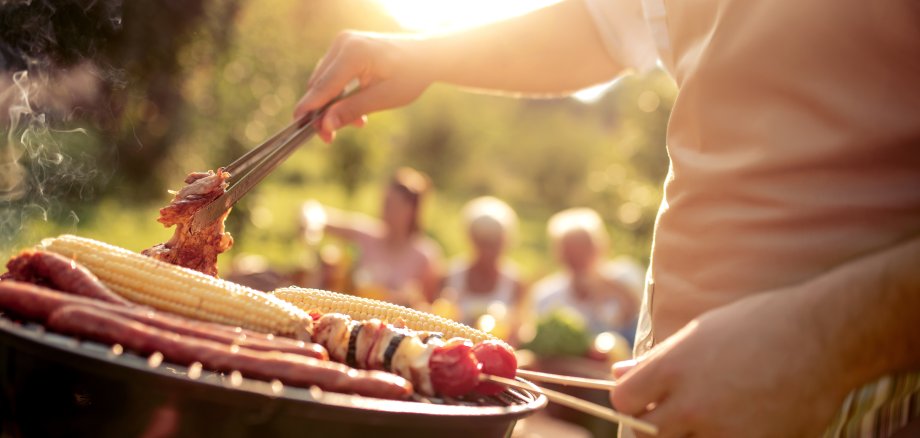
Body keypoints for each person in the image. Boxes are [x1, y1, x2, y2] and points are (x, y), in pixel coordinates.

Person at [292, 0, 920, 436]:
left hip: (857, 397)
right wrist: (427, 54)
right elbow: (611, 25)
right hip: (675, 388)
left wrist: (824, 343)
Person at [299, 167, 443, 308]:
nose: (386, 210)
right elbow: (315, 212)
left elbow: (431, 307)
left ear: (412, 211)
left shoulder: (426, 256)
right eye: (385, 203)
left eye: (394, 205)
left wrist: (412, 301)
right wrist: (310, 225)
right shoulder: (367, 234)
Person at [530, 207, 641, 341]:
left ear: (600, 247)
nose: (577, 256)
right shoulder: (546, 294)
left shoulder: (625, 274)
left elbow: (640, 318)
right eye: (570, 250)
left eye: (584, 248)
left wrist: (606, 285)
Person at [440, 196, 524, 333]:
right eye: (483, 241)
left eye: (494, 242)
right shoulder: (449, 275)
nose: (488, 250)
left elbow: (518, 329)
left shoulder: (515, 283)